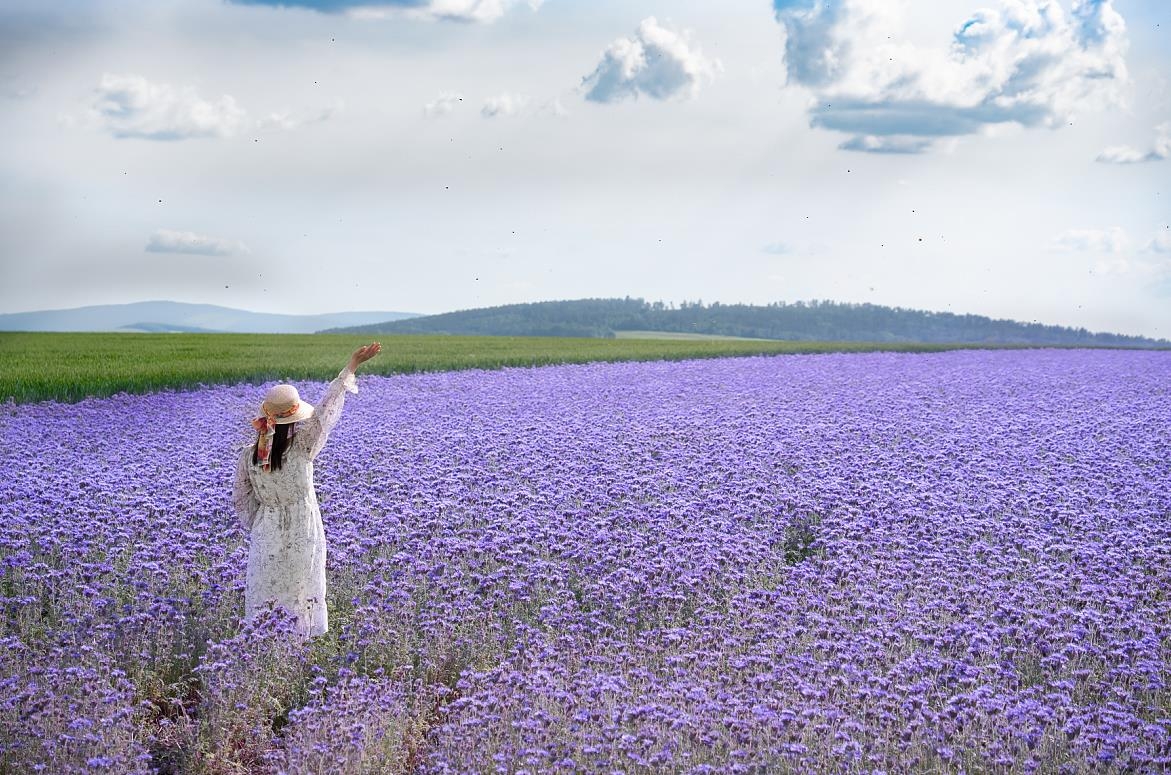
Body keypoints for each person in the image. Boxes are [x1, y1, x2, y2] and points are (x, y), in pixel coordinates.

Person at [231, 342, 381, 637]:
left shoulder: (250, 454)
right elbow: (325, 412)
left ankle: (263, 651)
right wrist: (351, 366)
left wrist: (262, 521)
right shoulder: (302, 447)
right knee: (301, 592)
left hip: (266, 530)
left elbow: (240, 499)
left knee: (266, 591)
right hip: (303, 528)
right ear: (294, 418)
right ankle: (297, 654)